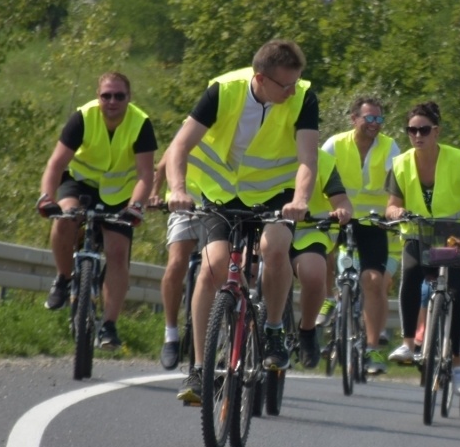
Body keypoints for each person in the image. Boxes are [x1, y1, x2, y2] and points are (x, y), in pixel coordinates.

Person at [164, 39, 319, 403]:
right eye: (285, 85)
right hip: (222, 192)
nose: (292, 90)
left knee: (274, 248)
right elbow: (180, 146)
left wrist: (299, 200)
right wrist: (178, 190)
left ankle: (274, 329)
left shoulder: (304, 98)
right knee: (212, 267)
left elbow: (308, 160)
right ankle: (199, 368)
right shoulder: (222, 91)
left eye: (296, 82)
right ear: (260, 78)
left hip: (276, 193)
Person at [385, 102, 460, 392]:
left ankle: (459, 361)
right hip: (421, 235)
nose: (417, 135)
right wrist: (396, 212)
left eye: (424, 130)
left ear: (436, 131)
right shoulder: (400, 164)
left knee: (457, 294)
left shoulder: (459, 161)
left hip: (459, 239)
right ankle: (409, 343)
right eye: (412, 130)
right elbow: (392, 205)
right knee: (411, 274)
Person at [36, 71, 155, 352]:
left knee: (117, 252)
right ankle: (64, 279)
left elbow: (145, 174)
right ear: (97, 96)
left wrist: (136, 206)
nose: (112, 101)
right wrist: (46, 198)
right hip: (80, 184)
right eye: (106, 96)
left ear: (129, 97)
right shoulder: (83, 117)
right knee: (65, 218)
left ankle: (109, 325)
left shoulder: (140, 123)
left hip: (120, 193)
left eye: (119, 96)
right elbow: (55, 164)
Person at [321, 96, 398, 373]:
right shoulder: (335, 144)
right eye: (369, 118)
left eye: (379, 119)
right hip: (336, 215)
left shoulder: (389, 146)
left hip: (372, 222)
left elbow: (397, 183)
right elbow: (318, 174)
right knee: (321, 254)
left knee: (373, 281)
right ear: (354, 119)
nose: (374, 124)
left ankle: (373, 348)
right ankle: (329, 299)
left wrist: (394, 211)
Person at [288, 145, 354, 367]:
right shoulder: (258, 149)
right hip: (266, 227)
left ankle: (307, 331)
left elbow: (341, 200)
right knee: (242, 270)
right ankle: (235, 335)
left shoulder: (323, 160)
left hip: (308, 231)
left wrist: (343, 210)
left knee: (315, 275)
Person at [149, 152, 199, 370]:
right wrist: (154, 194)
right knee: (176, 264)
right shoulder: (192, 132)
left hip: (221, 207)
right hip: (184, 205)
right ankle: (171, 335)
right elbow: (165, 162)